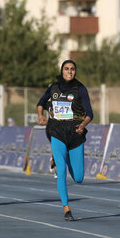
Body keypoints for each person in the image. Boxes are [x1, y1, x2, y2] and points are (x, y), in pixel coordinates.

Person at [37, 60, 93, 221]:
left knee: (78, 178)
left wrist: (83, 125)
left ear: (75, 72)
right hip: (57, 131)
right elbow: (40, 103)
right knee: (61, 171)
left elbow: (90, 113)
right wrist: (41, 116)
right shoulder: (53, 87)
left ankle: (61, 156)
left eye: (72, 69)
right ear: (62, 71)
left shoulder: (80, 89)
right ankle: (66, 209)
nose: (69, 71)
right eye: (66, 69)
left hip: (75, 133)